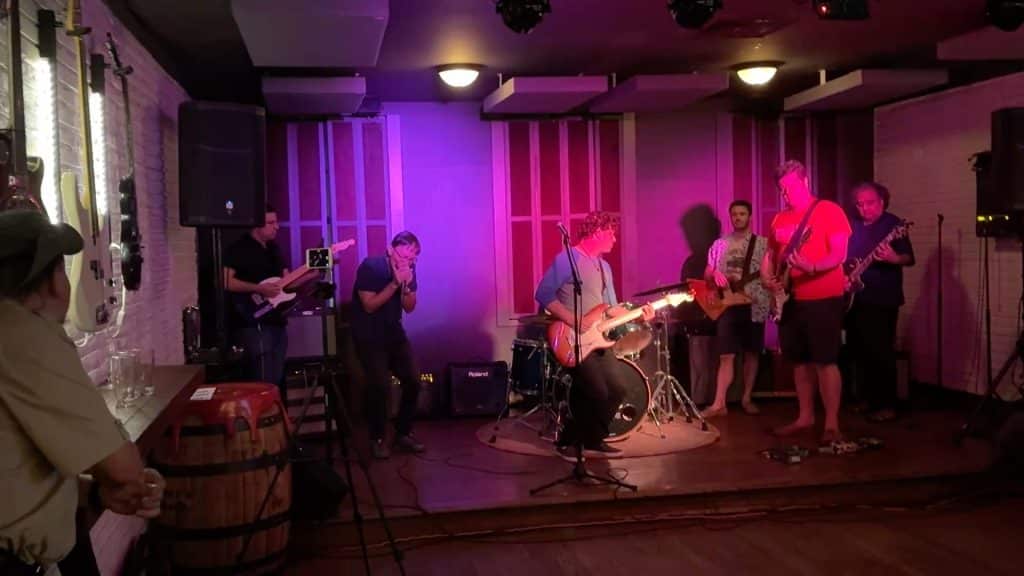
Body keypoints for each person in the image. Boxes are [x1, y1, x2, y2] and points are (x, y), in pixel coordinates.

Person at [0, 210, 164, 576]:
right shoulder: (23, 332)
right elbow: (125, 468)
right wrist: (121, 477)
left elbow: (16, 470)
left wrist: (93, 493)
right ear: (52, 282)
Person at [535, 211, 653, 459]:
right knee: (597, 391)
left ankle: (592, 439)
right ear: (598, 232)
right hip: (571, 339)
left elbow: (611, 308)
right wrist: (573, 320)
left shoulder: (604, 267)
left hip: (598, 338)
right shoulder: (567, 259)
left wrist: (638, 314)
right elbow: (543, 294)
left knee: (618, 389)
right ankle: (569, 442)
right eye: (611, 234)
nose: (615, 240)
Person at [761, 161, 852, 443]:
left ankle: (832, 424)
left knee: (825, 360)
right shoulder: (779, 219)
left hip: (823, 297)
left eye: (790, 187)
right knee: (799, 361)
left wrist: (812, 267)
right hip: (790, 300)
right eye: (782, 189)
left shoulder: (829, 211)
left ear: (805, 182)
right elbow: (770, 255)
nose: (786, 193)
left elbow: (839, 253)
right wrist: (766, 279)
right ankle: (805, 416)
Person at [351, 231, 425, 460]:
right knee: (380, 386)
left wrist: (406, 286)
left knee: (413, 380)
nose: (407, 261)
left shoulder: (409, 270)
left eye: (412, 258)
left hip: (394, 333)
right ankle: (378, 438)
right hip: (369, 336)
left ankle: (403, 433)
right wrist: (394, 283)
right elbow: (369, 305)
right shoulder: (371, 267)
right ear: (390, 250)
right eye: (403, 256)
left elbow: (409, 307)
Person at [845, 182, 914, 422]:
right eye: (860, 204)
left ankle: (886, 404)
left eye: (870, 203)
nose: (865, 208)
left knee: (881, 351)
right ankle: (866, 399)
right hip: (855, 299)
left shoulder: (893, 225)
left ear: (882, 202)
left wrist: (894, 258)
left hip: (883, 298)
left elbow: (908, 258)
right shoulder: (854, 226)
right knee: (859, 350)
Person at [701, 200, 770, 417]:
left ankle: (746, 398)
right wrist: (714, 274)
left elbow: (770, 273)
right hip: (728, 304)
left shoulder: (763, 244)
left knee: (752, 353)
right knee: (726, 355)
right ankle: (719, 403)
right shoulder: (720, 244)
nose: (738, 217)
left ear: (750, 216)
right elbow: (707, 273)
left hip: (754, 303)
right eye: (734, 214)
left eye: (742, 213)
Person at [223, 205, 299, 392]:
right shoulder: (240, 248)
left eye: (276, 222)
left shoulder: (274, 249)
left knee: (275, 380)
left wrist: (312, 273)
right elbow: (225, 281)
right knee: (262, 382)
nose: (276, 227)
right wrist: (258, 288)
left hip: (276, 321)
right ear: (256, 225)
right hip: (253, 322)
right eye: (271, 223)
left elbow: (287, 283)